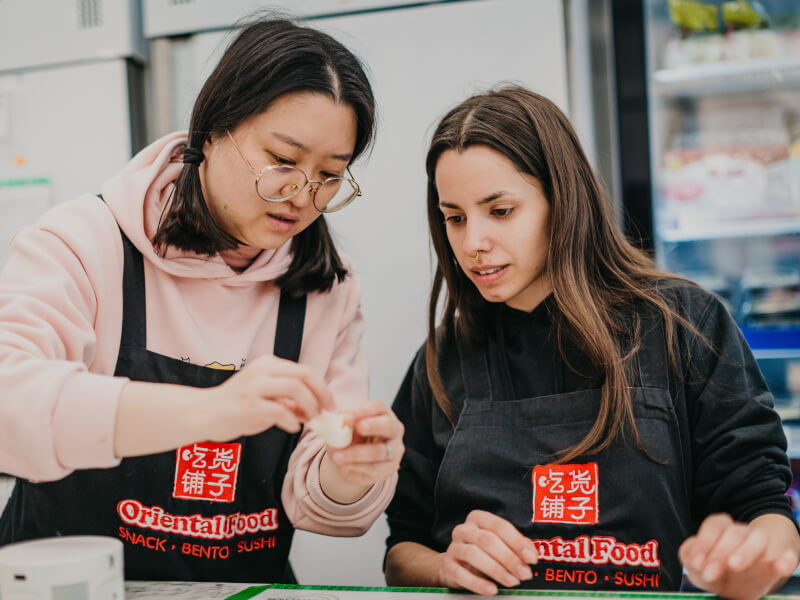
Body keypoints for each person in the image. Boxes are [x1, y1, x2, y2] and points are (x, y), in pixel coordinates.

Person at [0, 17, 404, 582]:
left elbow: (319, 505)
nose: (301, 194)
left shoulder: (325, 288)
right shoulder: (85, 243)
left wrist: (353, 470)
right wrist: (214, 411)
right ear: (213, 131)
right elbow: (10, 409)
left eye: (329, 176)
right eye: (283, 160)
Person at [383, 85, 800, 600]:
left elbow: (765, 511)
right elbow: (402, 550)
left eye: (502, 211)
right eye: (456, 218)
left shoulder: (684, 325)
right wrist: (447, 567)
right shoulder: (441, 360)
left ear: (563, 200)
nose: (473, 244)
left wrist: (749, 562)